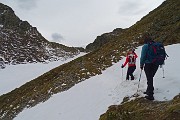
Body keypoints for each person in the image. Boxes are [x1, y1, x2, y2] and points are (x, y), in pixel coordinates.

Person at [140, 34, 159, 100]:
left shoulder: (145, 46)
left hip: (148, 64)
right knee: (150, 77)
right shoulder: (156, 45)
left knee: (149, 78)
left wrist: (141, 65)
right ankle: (149, 90)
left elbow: (143, 56)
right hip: (156, 64)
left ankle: (150, 95)